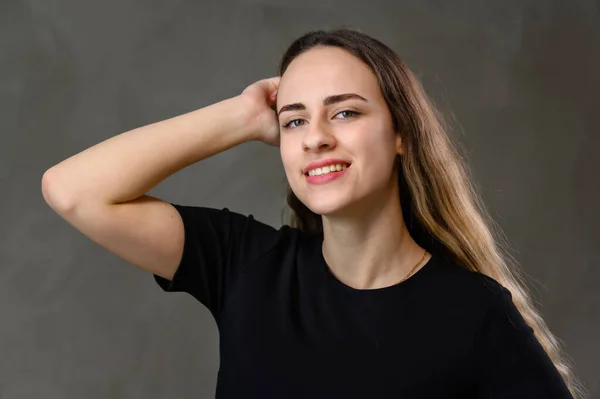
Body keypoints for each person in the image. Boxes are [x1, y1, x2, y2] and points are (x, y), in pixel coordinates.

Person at [42, 28, 583, 398]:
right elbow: (73, 190)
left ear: (400, 134)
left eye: (345, 112)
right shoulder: (245, 265)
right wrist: (240, 116)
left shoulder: (474, 313)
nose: (316, 139)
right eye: (295, 121)